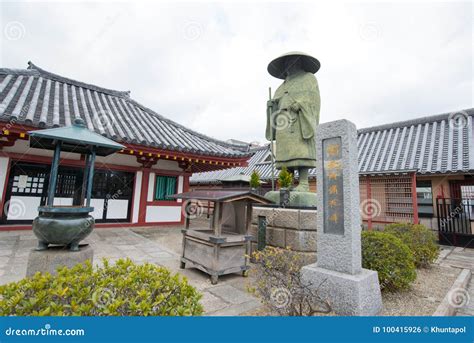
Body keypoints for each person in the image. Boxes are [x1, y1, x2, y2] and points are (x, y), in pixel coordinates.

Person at [266, 52, 321, 192]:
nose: (288, 66)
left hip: (299, 120)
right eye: (286, 63)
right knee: (285, 154)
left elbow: (314, 100)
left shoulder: (309, 78)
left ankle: (304, 183)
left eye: (291, 62)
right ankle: (287, 183)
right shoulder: (282, 86)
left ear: (298, 62)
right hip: (282, 122)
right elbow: (277, 103)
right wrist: (271, 106)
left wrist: (301, 105)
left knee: (301, 150)